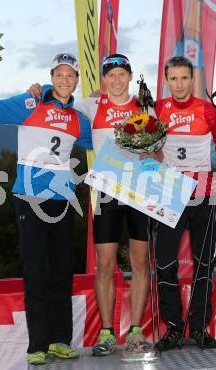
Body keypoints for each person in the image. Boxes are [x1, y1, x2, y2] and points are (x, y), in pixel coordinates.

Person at [0, 50, 92, 365]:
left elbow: (105, 140)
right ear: (51, 77)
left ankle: (60, 340)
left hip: (63, 200)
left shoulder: (76, 119)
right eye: (59, 74)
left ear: (76, 80)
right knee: (36, 272)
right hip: (30, 200)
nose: (64, 80)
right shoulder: (31, 102)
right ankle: (37, 346)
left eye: (70, 75)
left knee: (60, 273)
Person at [28, 53, 152, 356]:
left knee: (139, 263)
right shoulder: (92, 105)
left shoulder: (144, 106)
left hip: (139, 192)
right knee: (105, 265)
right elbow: (62, 97)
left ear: (130, 76)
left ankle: (136, 331)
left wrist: (151, 147)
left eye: (123, 74)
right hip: (106, 193)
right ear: (103, 80)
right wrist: (40, 90)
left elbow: (158, 149)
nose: (117, 80)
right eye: (111, 75)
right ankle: (107, 332)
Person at [152, 56, 216, 351]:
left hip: (203, 192)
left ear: (192, 79)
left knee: (204, 263)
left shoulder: (207, 110)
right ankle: (173, 328)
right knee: (165, 263)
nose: (179, 84)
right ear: (167, 80)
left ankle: (199, 328)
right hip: (170, 192)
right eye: (173, 79)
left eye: (184, 78)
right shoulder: (159, 108)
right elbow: (144, 138)